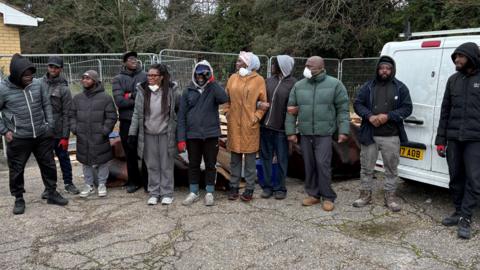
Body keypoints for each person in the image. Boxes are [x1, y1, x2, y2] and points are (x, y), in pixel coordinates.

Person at [0, 53, 68, 215]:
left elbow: (46, 105)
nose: (30, 78)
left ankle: (51, 192)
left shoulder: (38, 85)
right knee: (16, 169)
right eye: (26, 76)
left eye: (32, 75)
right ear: (16, 75)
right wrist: (5, 131)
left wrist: (49, 125)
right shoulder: (3, 89)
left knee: (49, 165)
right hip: (18, 137)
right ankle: (18, 198)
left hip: (41, 135)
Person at [285, 56, 349, 211]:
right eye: (306, 65)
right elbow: (291, 110)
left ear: (321, 67)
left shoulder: (335, 85)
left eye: (311, 66)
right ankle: (313, 194)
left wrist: (344, 131)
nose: (307, 69)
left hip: (325, 133)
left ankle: (328, 196)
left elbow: (343, 110)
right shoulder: (299, 86)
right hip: (306, 133)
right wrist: (291, 132)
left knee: (323, 164)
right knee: (309, 164)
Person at [353, 55, 412, 212]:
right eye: (382, 68)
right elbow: (358, 104)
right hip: (369, 135)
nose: (384, 71)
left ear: (392, 70)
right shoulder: (368, 86)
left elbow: (407, 108)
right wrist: (369, 116)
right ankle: (365, 195)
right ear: (377, 69)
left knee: (391, 168)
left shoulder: (400, 87)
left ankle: (390, 197)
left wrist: (388, 116)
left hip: (391, 136)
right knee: (366, 167)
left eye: (388, 68)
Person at [435, 42, 480, 239]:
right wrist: (440, 139)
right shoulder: (453, 80)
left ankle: (466, 217)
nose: (457, 60)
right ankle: (458, 210)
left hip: (475, 139)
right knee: (455, 177)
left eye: (460, 56)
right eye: (455, 57)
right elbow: (445, 111)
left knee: (474, 180)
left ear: (471, 57)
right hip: (453, 138)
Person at [177, 60, 228, 206]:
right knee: (193, 164)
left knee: (211, 164)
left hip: (211, 134)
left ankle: (210, 192)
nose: (201, 77)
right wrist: (181, 138)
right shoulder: (187, 91)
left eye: (204, 74)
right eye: (198, 74)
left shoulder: (213, 89)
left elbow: (224, 98)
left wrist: (212, 82)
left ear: (209, 75)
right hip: (193, 135)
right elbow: (181, 116)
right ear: (194, 74)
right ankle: (193, 191)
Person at [128, 64, 180, 205]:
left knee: (166, 165)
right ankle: (154, 192)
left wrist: (179, 133)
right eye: (149, 75)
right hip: (147, 135)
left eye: (154, 75)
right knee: (152, 165)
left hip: (165, 134)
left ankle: (167, 192)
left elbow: (178, 111)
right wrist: (132, 134)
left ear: (161, 77)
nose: (150, 78)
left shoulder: (171, 91)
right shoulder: (142, 91)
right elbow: (137, 114)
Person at [224, 51, 267, 202]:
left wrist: (256, 118)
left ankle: (249, 189)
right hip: (234, 125)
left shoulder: (259, 80)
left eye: (239, 61)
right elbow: (226, 99)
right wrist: (228, 114)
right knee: (234, 159)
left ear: (249, 64)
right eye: (237, 61)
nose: (237, 64)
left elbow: (263, 104)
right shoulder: (232, 78)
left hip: (250, 126)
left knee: (249, 161)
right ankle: (234, 186)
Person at [70, 70, 117, 198]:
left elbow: (112, 116)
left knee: (102, 161)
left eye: (88, 78)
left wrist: (105, 131)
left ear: (95, 81)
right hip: (83, 136)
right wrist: (75, 129)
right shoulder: (77, 98)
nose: (85, 80)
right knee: (86, 161)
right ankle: (88, 185)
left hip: (99, 136)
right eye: (83, 78)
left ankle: (102, 184)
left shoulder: (106, 97)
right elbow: (72, 115)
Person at [258, 55, 297, 200]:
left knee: (282, 159)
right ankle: (267, 187)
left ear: (283, 66)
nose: (272, 66)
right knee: (266, 158)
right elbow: (258, 99)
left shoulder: (294, 84)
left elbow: (296, 107)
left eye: (275, 64)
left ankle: (280, 188)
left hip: (281, 129)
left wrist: (292, 130)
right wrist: (258, 105)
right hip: (265, 127)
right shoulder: (268, 81)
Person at [41, 56, 79, 197]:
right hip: (43, 130)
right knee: (46, 161)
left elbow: (67, 114)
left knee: (63, 157)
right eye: (51, 66)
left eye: (56, 67)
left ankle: (69, 183)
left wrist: (65, 136)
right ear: (47, 67)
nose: (53, 69)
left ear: (61, 69)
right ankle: (49, 187)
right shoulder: (39, 84)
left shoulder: (64, 89)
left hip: (58, 131)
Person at [112, 51, 148, 193]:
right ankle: (133, 181)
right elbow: (120, 101)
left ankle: (147, 181)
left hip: (144, 119)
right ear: (125, 62)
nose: (134, 60)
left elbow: (148, 97)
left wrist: (130, 95)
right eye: (130, 59)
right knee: (130, 152)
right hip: (127, 121)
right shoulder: (117, 79)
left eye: (135, 58)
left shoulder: (145, 76)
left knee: (146, 152)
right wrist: (137, 95)